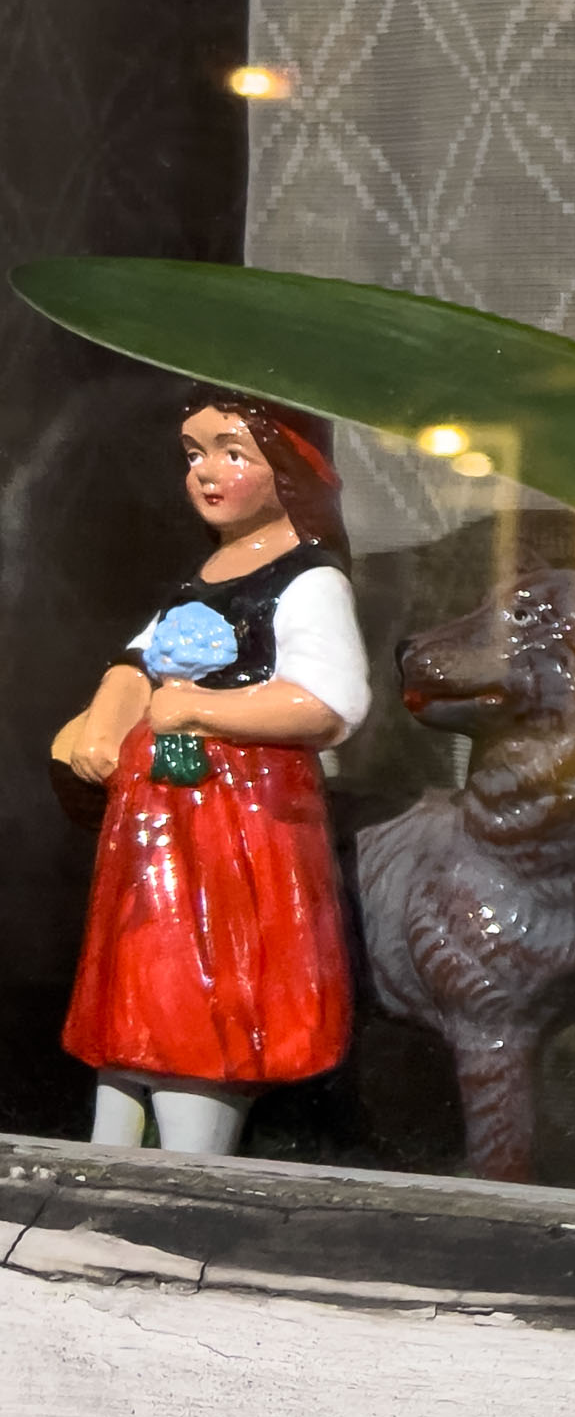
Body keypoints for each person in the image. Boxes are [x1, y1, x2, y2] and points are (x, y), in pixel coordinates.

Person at [49, 389, 368, 1156]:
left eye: (233, 452)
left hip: (238, 828)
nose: (206, 471)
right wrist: (107, 716)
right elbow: (136, 659)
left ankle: (191, 1159)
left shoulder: (308, 579)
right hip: (159, 828)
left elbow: (329, 705)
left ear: (290, 469)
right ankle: (116, 1142)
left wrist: (198, 710)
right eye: (194, 454)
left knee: (207, 985)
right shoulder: (206, 575)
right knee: (143, 979)